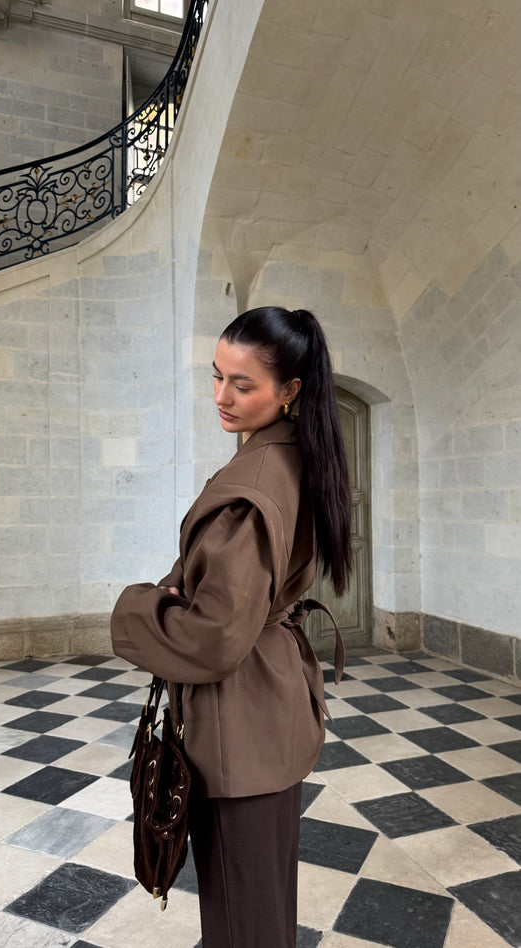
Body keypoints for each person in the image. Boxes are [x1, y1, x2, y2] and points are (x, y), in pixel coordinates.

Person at [111, 306, 353, 948]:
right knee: (260, 909)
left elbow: (211, 636)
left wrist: (134, 607)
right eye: (216, 376)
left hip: (239, 719)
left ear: (290, 389)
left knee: (244, 922)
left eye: (242, 385)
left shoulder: (256, 481)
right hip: (269, 705)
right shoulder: (295, 454)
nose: (221, 396)